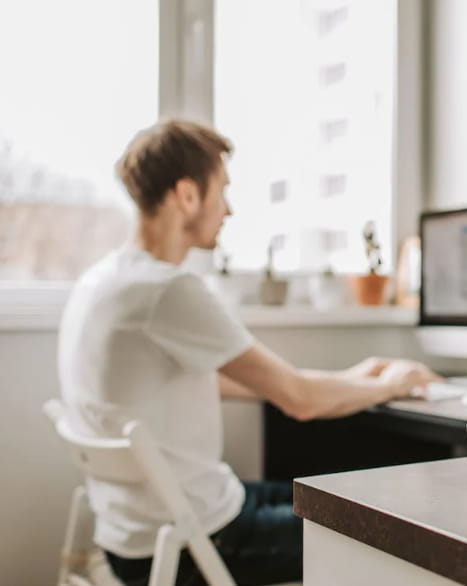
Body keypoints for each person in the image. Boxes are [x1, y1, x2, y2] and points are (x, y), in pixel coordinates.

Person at [57, 119, 441, 586]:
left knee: (330, 498)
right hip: (193, 542)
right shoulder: (167, 290)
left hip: (133, 534)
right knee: (390, 535)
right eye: (222, 190)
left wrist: (357, 377)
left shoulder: (104, 281)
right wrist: (394, 384)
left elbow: (230, 381)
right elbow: (300, 400)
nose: (229, 209)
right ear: (187, 195)